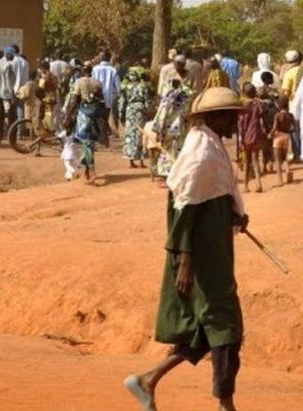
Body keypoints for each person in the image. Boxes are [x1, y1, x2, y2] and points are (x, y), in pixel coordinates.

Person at [123, 86, 248, 411]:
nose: (235, 122)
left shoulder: (211, 144)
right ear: (214, 117)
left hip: (216, 247)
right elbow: (185, 208)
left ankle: (148, 380)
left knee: (209, 329)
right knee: (226, 326)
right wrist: (185, 261)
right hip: (202, 255)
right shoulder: (202, 153)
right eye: (231, 117)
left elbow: (214, 194)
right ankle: (226, 404)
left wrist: (234, 214)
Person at [237, 84, 273, 193]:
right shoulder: (257, 105)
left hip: (246, 136)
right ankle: (258, 183)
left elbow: (241, 123)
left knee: (247, 161)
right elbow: (261, 117)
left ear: (244, 93)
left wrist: (240, 138)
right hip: (256, 135)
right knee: (255, 160)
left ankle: (246, 186)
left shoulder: (243, 106)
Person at [117, 66, 155, 168]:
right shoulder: (143, 87)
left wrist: (121, 115)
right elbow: (147, 101)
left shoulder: (125, 88)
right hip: (140, 112)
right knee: (140, 134)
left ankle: (131, 161)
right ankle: (141, 160)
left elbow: (122, 103)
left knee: (130, 134)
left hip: (129, 111)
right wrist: (149, 112)